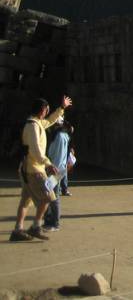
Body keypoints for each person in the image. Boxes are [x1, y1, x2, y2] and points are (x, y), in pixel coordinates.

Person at [10, 95, 73, 241]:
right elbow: (36, 151)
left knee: (25, 201)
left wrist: (61, 108)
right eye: (46, 109)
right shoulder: (32, 126)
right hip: (34, 169)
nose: (47, 112)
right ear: (42, 110)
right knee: (48, 196)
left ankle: (18, 229)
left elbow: (50, 121)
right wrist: (48, 164)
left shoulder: (36, 123)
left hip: (28, 168)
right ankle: (35, 226)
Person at [43, 121, 73, 232]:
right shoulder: (59, 135)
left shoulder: (60, 136)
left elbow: (58, 157)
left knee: (53, 196)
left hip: (55, 170)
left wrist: (51, 170)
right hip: (56, 169)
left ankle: (54, 222)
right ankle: (49, 220)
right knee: (48, 194)